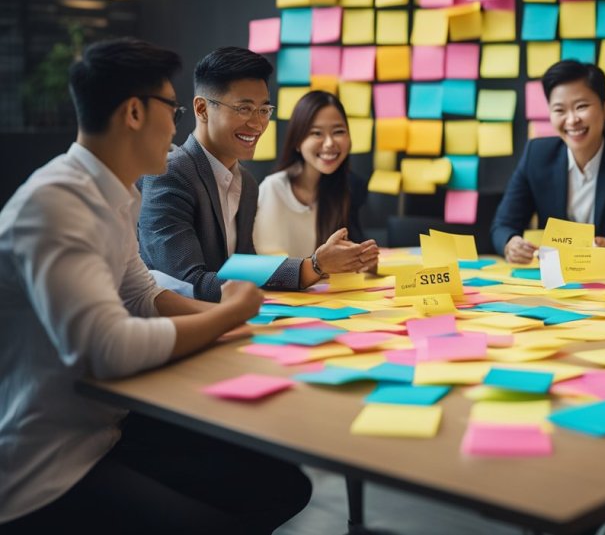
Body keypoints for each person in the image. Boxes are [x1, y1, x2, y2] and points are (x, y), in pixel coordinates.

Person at [0, 38, 310, 534]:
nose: (177, 123)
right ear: (135, 113)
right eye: (172, 108)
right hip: (48, 464)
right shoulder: (55, 205)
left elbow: (143, 295)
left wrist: (245, 321)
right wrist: (228, 316)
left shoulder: (116, 195)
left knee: (284, 485)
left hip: (107, 427)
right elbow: (109, 349)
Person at [139, 47, 377, 302]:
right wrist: (314, 266)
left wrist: (318, 265)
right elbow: (187, 283)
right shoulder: (169, 174)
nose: (257, 124)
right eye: (244, 109)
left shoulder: (247, 183)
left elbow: (244, 267)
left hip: (235, 324)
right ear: (202, 109)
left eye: (263, 110)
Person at [490, 60, 605, 264]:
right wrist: (511, 243)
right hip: (553, 280)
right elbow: (502, 225)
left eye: (581, 107)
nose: (571, 120)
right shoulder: (536, 154)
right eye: (560, 110)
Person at [253, 90, 372, 266]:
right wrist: (319, 266)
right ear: (297, 141)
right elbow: (268, 266)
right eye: (317, 133)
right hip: (280, 292)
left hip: (331, 292)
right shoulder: (273, 189)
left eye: (338, 131)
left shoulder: (348, 188)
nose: (330, 143)